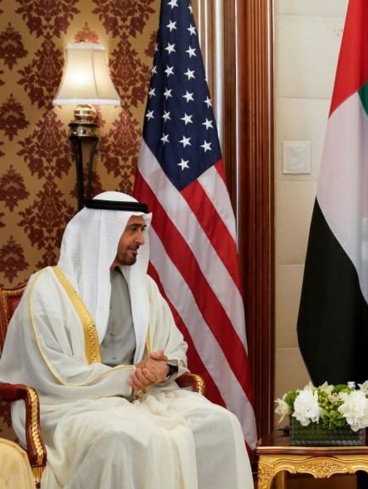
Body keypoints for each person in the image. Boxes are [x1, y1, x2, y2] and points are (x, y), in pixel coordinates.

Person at [0, 191, 252, 489]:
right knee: (124, 438)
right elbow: (52, 371)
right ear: (102, 233)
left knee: (221, 426)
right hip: (74, 406)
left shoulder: (142, 286)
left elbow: (173, 348)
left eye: (142, 229)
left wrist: (163, 369)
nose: (141, 240)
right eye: (132, 229)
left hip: (149, 399)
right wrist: (127, 378)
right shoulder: (48, 289)